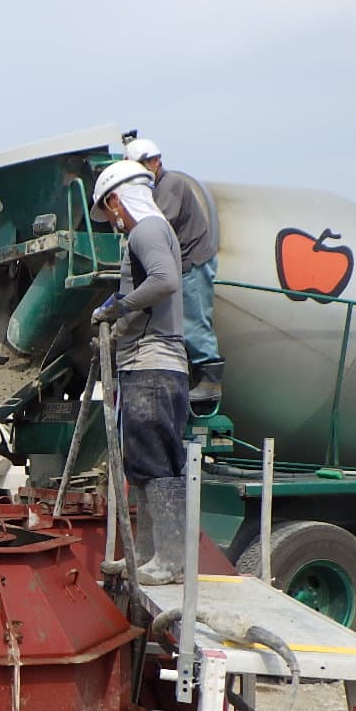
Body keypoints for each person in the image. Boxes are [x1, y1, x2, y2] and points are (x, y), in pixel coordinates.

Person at [90, 160, 188, 585]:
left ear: (116, 199)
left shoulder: (145, 230)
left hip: (153, 364)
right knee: (146, 465)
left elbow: (164, 281)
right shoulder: (153, 231)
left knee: (157, 463)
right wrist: (117, 327)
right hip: (146, 363)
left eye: (107, 209)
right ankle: (149, 556)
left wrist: (117, 307)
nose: (111, 219)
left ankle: (169, 561)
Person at [124, 137, 224, 403]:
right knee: (185, 324)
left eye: (141, 166)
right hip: (179, 265)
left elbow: (159, 223)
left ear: (155, 161)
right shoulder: (155, 188)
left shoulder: (172, 184)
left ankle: (210, 383)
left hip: (192, 263)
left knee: (194, 322)